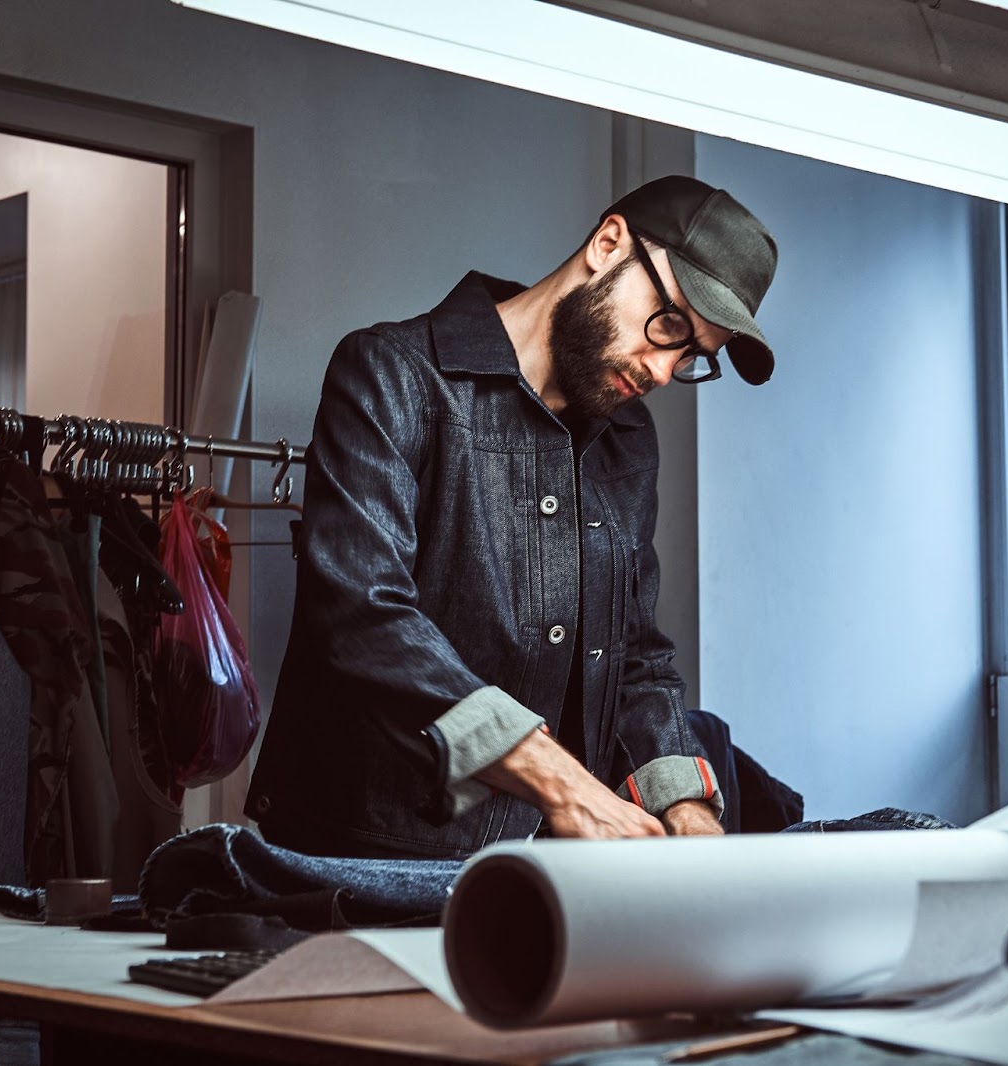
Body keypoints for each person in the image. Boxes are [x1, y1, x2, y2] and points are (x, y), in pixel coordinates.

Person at [245, 175, 779, 859]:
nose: (664, 369)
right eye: (669, 324)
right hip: (370, 854)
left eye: (691, 356)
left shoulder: (627, 440)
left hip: (539, 868)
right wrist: (567, 788)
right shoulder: (391, 375)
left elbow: (638, 656)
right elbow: (361, 615)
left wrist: (691, 816)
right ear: (609, 243)